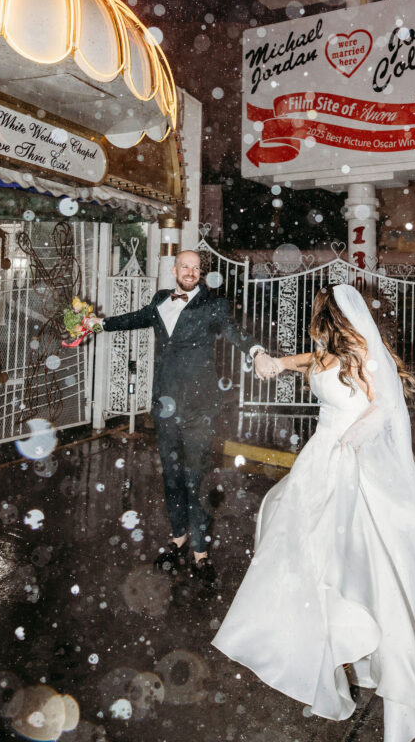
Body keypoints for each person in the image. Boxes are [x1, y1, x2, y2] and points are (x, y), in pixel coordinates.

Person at [212, 283, 415, 738]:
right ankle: (318, 640)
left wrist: (356, 437)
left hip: (351, 461)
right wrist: (280, 362)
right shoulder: (328, 350)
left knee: (349, 557)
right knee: (298, 541)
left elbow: (385, 405)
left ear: (328, 312)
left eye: (316, 308)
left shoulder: (362, 352)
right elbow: (314, 361)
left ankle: (351, 642)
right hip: (319, 458)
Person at [87, 250, 276, 584]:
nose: (190, 272)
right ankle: (178, 540)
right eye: (185, 266)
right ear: (174, 270)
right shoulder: (161, 299)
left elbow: (234, 333)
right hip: (165, 407)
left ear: (201, 273)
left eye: (196, 268)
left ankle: (201, 554)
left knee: (196, 479)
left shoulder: (213, 306)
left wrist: (257, 351)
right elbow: (135, 318)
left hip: (199, 410)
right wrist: (99, 324)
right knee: (172, 477)